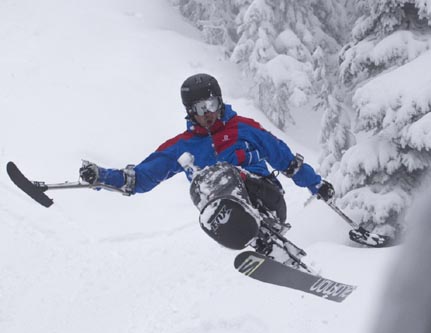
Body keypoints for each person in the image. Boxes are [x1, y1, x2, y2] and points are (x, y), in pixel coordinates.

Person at [80, 73, 334, 253]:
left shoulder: (243, 128)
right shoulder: (183, 145)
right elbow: (141, 178)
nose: (207, 114)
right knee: (203, 181)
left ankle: (265, 231)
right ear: (190, 112)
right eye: (199, 109)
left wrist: (316, 184)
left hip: (267, 200)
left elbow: (285, 159)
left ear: (220, 102)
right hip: (230, 220)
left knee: (219, 173)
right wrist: (101, 177)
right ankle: (261, 243)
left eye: (211, 105)